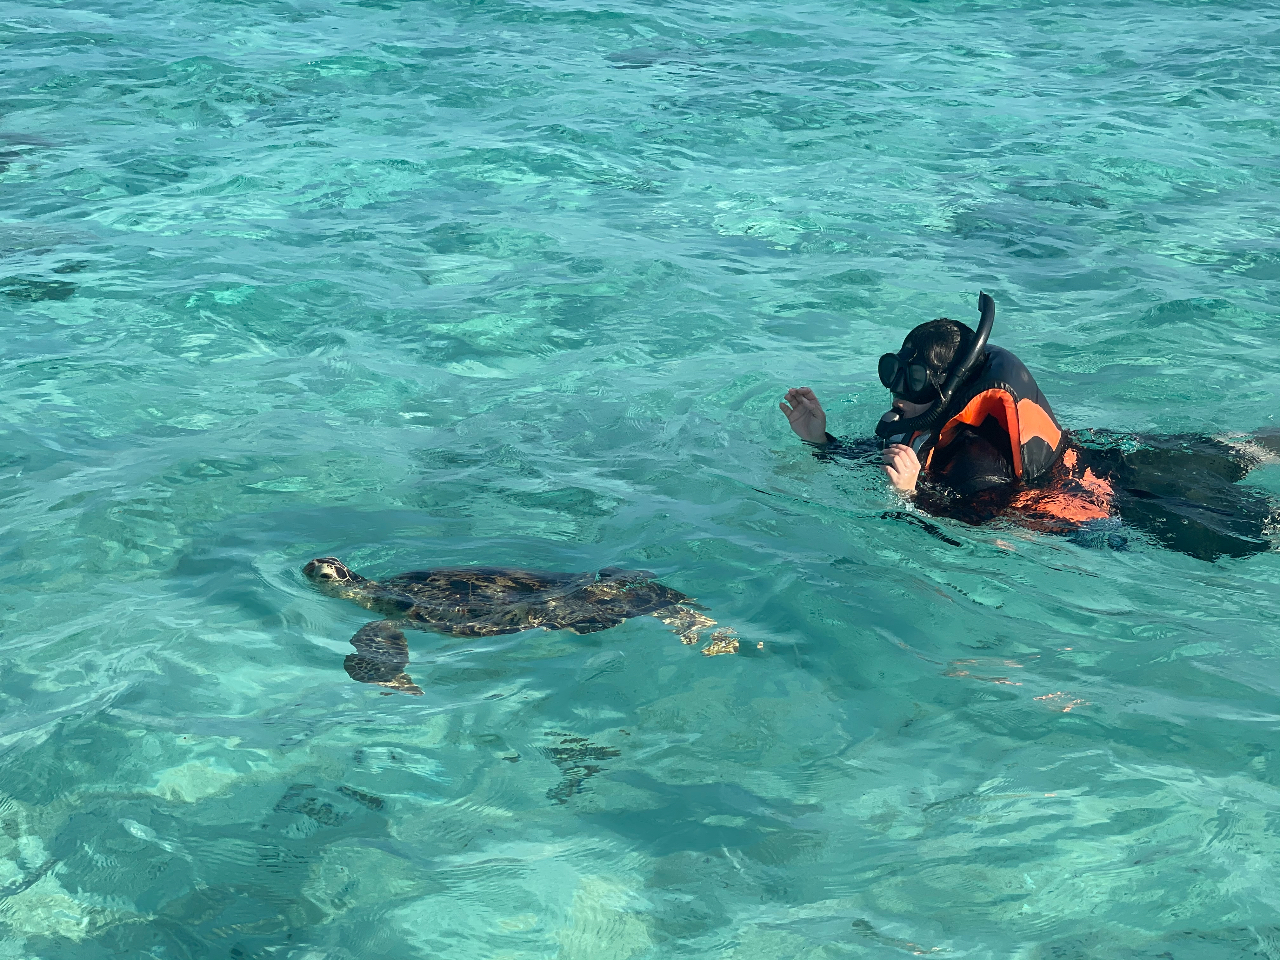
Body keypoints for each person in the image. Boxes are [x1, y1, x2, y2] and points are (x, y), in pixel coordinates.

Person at [779, 293, 1278, 561]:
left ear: (949, 392)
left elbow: (983, 530)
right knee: (1242, 450)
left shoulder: (977, 458)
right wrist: (821, 440)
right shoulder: (932, 429)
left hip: (1103, 504)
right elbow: (881, 457)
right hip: (1104, 453)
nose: (897, 392)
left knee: (1251, 523)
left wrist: (910, 501)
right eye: (893, 372)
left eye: (912, 380)